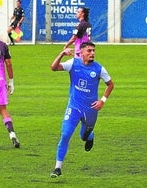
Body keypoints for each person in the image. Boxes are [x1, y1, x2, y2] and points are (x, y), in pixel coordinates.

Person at [50, 42, 114, 178]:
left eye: (93, 51)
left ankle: (90, 137)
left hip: (91, 110)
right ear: (82, 52)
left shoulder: (99, 69)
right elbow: (53, 68)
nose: (92, 53)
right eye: (89, 51)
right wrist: (61, 54)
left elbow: (110, 85)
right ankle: (57, 168)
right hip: (73, 107)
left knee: (83, 136)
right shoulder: (73, 63)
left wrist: (102, 100)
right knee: (65, 134)